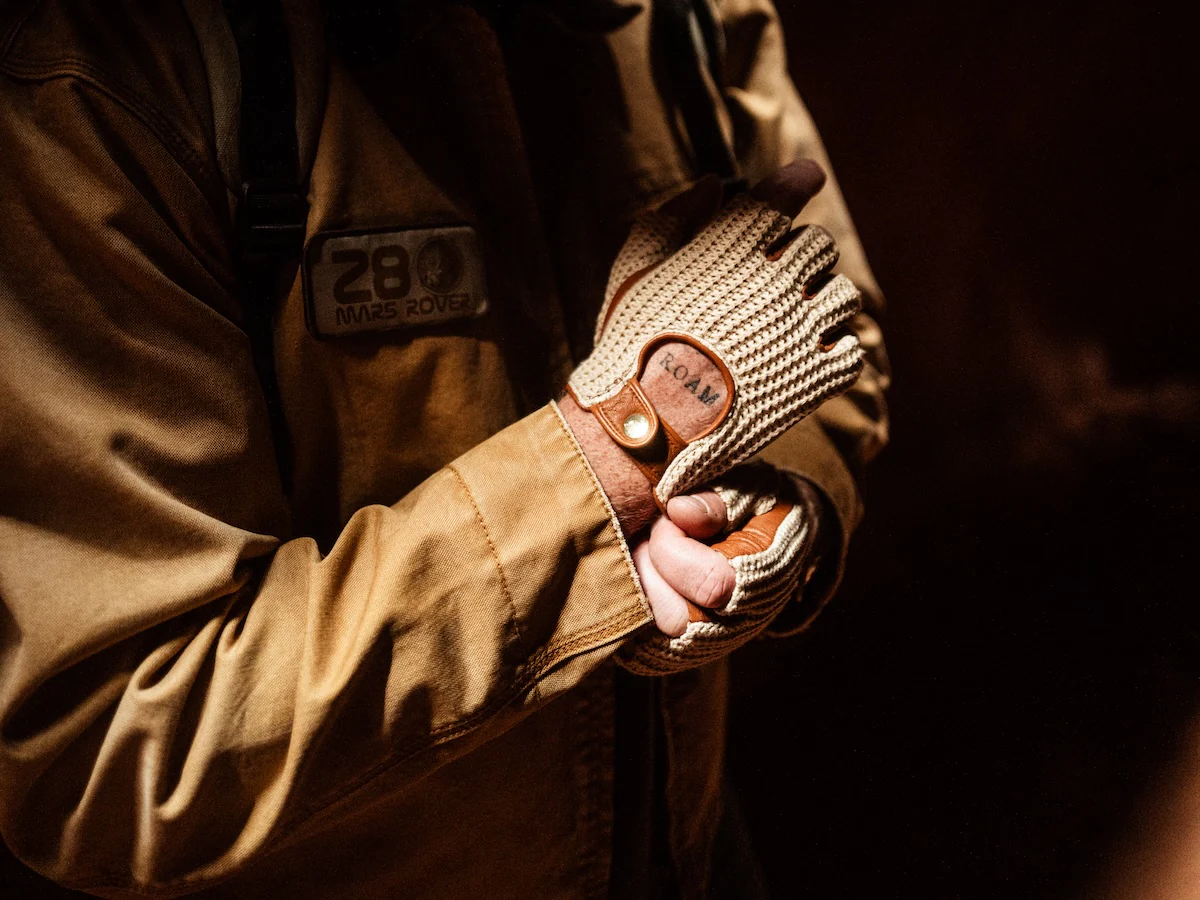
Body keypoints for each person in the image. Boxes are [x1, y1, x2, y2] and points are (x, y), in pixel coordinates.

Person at [0, 0, 888, 896]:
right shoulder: (95, 83)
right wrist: (623, 453)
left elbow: (829, 318)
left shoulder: (683, 18)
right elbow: (118, 744)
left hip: (687, 857)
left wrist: (777, 504)